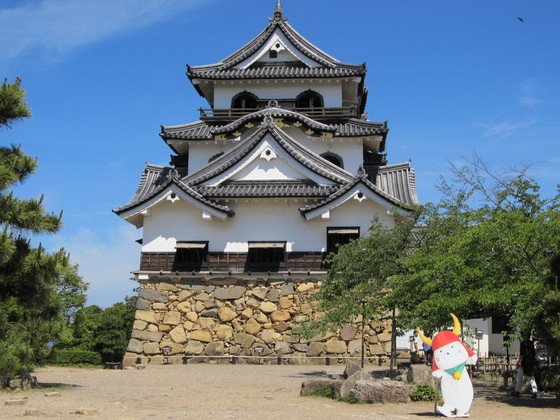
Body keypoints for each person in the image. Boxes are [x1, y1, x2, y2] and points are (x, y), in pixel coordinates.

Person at [514, 331, 543, 398]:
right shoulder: (531, 343)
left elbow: (521, 354)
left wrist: (519, 362)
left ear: (524, 335)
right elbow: (533, 353)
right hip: (530, 362)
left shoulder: (522, 342)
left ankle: (517, 392)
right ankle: (535, 393)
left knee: (519, 377)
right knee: (531, 378)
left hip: (524, 362)